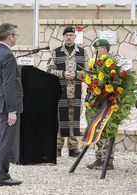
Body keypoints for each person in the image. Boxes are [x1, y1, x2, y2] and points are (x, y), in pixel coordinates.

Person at [0, 23, 23, 186]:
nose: (16, 38)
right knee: (6, 141)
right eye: (15, 35)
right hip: (6, 106)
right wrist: (12, 110)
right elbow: (9, 84)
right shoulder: (7, 55)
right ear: (9, 36)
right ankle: (2, 176)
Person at [47, 26, 88, 157]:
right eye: (67, 35)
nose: (69, 37)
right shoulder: (56, 52)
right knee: (59, 119)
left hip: (76, 92)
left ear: (75, 37)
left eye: (71, 35)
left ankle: (73, 148)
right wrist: (63, 74)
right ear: (63, 37)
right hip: (60, 92)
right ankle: (57, 147)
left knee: (74, 120)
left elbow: (89, 72)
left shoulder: (82, 53)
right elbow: (49, 70)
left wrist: (76, 74)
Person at [86, 39, 115, 170]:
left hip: (107, 103)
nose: (96, 51)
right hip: (96, 102)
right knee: (98, 131)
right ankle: (99, 158)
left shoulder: (111, 63)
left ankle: (108, 161)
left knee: (106, 131)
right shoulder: (97, 63)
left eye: (97, 49)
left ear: (104, 49)